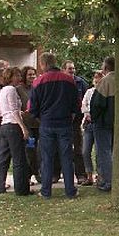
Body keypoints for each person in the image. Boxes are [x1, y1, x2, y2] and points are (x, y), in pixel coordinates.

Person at [28, 52, 79, 199]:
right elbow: (76, 104)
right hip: (64, 122)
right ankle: (70, 191)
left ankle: (46, 191)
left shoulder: (38, 82)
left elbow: (33, 108)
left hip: (46, 123)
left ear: (43, 64)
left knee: (47, 158)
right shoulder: (69, 80)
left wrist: (40, 119)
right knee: (67, 158)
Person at [0, 67, 33, 196]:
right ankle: (22, 189)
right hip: (13, 125)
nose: (19, 78)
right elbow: (14, 110)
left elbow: (0, 110)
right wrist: (23, 127)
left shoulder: (3, 91)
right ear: (10, 77)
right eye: (16, 76)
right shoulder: (11, 90)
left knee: (3, 158)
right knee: (19, 159)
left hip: (4, 125)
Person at [90, 57, 116, 192]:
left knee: (104, 152)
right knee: (113, 152)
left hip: (103, 122)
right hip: (117, 123)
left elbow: (97, 104)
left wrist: (93, 118)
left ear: (106, 68)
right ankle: (115, 179)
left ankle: (107, 181)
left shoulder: (105, 82)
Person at [62, 60, 89, 185]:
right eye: (69, 69)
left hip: (76, 120)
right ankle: (58, 173)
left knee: (78, 148)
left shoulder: (80, 82)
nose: (72, 71)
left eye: (73, 68)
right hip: (63, 120)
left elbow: (86, 99)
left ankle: (81, 174)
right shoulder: (60, 82)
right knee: (61, 148)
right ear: (64, 70)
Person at [17, 65, 40, 184]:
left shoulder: (36, 87)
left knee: (38, 151)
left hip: (38, 124)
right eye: (29, 74)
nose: (32, 76)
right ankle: (29, 175)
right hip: (27, 125)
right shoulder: (19, 89)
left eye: (33, 74)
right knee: (30, 150)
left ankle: (38, 173)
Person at [81, 70, 103, 186]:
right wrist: (87, 113)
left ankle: (100, 175)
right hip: (89, 124)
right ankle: (89, 175)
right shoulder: (89, 92)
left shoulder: (105, 92)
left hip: (99, 125)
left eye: (98, 77)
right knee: (85, 150)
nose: (96, 80)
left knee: (99, 152)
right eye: (95, 77)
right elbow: (83, 105)